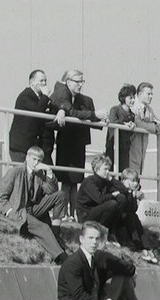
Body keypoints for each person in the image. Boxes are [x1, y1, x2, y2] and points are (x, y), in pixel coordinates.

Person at [47, 70, 108, 223]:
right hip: (65, 142)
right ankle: (63, 214)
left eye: (82, 81)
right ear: (68, 82)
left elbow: (89, 118)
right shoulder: (61, 94)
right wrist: (94, 114)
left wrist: (101, 120)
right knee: (66, 179)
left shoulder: (86, 99)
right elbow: (73, 112)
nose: (80, 84)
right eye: (77, 81)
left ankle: (74, 214)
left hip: (78, 143)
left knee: (75, 179)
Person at [57, 220, 148, 300]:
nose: (94, 242)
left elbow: (117, 267)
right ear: (81, 239)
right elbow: (79, 295)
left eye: (97, 239)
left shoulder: (94, 258)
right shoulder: (73, 263)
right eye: (90, 238)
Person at [0, 146, 69, 264]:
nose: (36, 163)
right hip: (18, 211)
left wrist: (49, 172)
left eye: (39, 160)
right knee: (42, 227)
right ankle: (61, 257)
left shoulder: (39, 174)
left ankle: (55, 232)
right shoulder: (15, 171)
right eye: (34, 159)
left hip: (33, 209)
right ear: (27, 158)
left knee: (61, 195)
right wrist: (10, 212)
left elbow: (52, 191)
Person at [9, 70, 65, 162]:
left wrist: (61, 110)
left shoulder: (42, 98)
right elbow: (37, 112)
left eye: (45, 81)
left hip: (34, 147)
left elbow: (54, 107)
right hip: (21, 147)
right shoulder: (25, 96)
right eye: (41, 81)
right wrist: (46, 96)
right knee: (23, 172)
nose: (44, 83)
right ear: (32, 82)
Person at [76, 155, 127, 246]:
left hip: (98, 211)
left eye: (108, 169)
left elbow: (124, 190)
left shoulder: (106, 181)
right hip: (86, 214)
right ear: (97, 169)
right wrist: (112, 195)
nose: (108, 172)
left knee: (121, 198)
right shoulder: (90, 181)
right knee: (112, 204)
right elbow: (99, 199)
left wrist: (112, 180)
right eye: (105, 169)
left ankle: (112, 232)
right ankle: (102, 234)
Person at [120, 168, 158, 263]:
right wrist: (129, 193)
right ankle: (139, 247)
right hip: (118, 218)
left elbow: (133, 209)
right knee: (131, 217)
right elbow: (124, 207)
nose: (135, 183)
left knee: (134, 217)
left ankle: (147, 248)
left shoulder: (132, 193)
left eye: (136, 181)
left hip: (128, 216)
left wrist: (133, 195)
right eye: (132, 181)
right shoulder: (120, 191)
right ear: (124, 181)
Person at [129, 82, 160, 175]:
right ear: (140, 94)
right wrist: (153, 127)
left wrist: (155, 126)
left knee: (139, 168)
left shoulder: (149, 109)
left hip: (142, 143)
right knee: (132, 167)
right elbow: (138, 123)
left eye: (151, 94)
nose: (151, 96)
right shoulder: (133, 105)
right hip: (132, 141)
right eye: (148, 94)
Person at [105, 84, 137, 173]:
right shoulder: (115, 109)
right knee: (110, 172)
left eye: (134, 97)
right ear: (123, 98)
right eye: (130, 98)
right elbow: (113, 121)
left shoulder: (132, 115)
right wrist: (124, 124)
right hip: (112, 146)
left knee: (123, 172)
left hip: (124, 148)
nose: (133, 100)